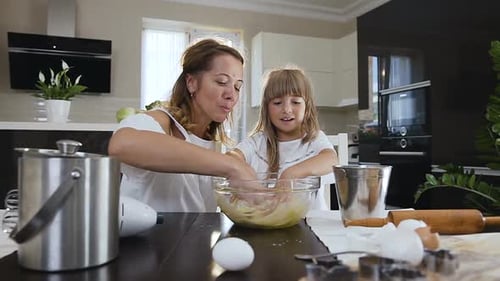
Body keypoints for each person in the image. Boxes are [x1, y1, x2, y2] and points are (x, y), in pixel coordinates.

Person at [108, 39, 257, 212]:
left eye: (237, 87)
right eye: (222, 82)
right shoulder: (163, 121)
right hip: (144, 239)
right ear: (191, 83)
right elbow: (122, 144)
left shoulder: (211, 144)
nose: (231, 94)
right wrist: (233, 167)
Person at [227, 67, 338, 209]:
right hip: (265, 221)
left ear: (307, 106)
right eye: (277, 103)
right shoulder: (257, 142)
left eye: (296, 102)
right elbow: (231, 158)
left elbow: (331, 159)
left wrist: (290, 174)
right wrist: (240, 173)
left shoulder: (314, 139)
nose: (286, 109)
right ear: (266, 108)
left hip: (311, 223)